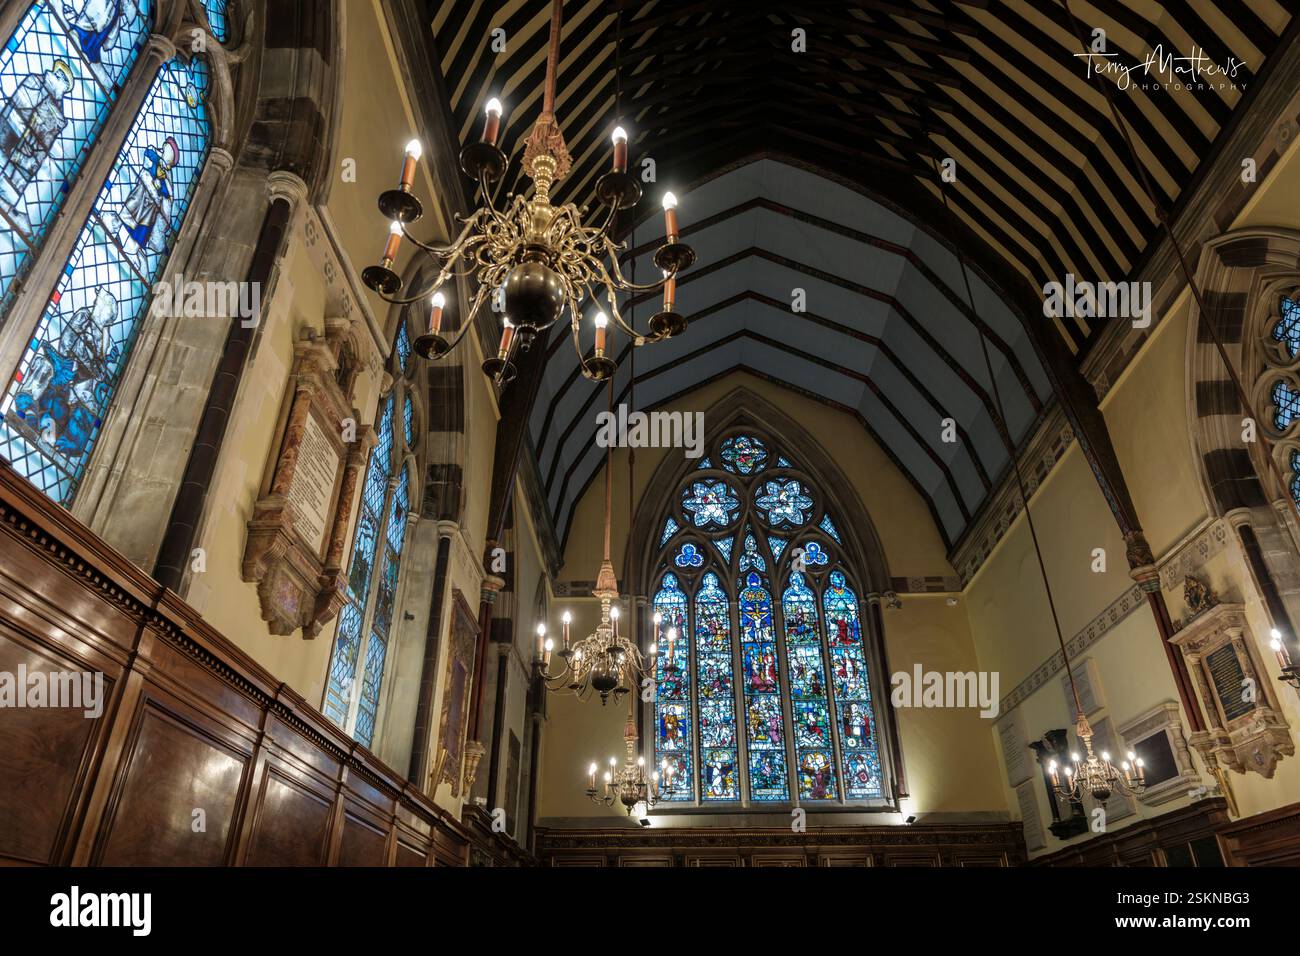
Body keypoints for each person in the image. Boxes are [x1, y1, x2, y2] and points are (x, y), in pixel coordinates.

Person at [0, 61, 75, 231]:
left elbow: (45, 143)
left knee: (9, 187)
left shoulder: (57, 115)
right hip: (6, 136)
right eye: (58, 73)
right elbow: (17, 105)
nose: (59, 78)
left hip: (22, 161)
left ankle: (9, 213)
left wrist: (30, 153)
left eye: (64, 79)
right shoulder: (33, 82)